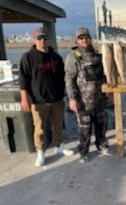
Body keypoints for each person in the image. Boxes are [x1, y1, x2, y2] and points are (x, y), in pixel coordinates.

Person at [19, 27, 73, 167]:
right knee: (40, 128)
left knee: (58, 125)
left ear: (48, 39)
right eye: (39, 38)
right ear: (34, 40)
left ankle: (59, 145)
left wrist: (69, 94)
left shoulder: (56, 57)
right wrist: (24, 98)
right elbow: (23, 79)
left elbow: (65, 77)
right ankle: (41, 151)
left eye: (45, 38)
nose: (42, 41)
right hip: (38, 101)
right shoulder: (27, 57)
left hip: (57, 99)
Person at [65, 27, 111, 163]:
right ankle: (84, 151)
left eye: (87, 37)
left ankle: (101, 145)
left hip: (100, 98)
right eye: (81, 38)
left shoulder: (99, 53)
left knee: (101, 124)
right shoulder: (73, 57)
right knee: (85, 128)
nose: (84, 40)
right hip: (83, 101)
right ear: (77, 40)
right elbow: (69, 79)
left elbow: (107, 74)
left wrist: (110, 93)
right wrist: (72, 99)